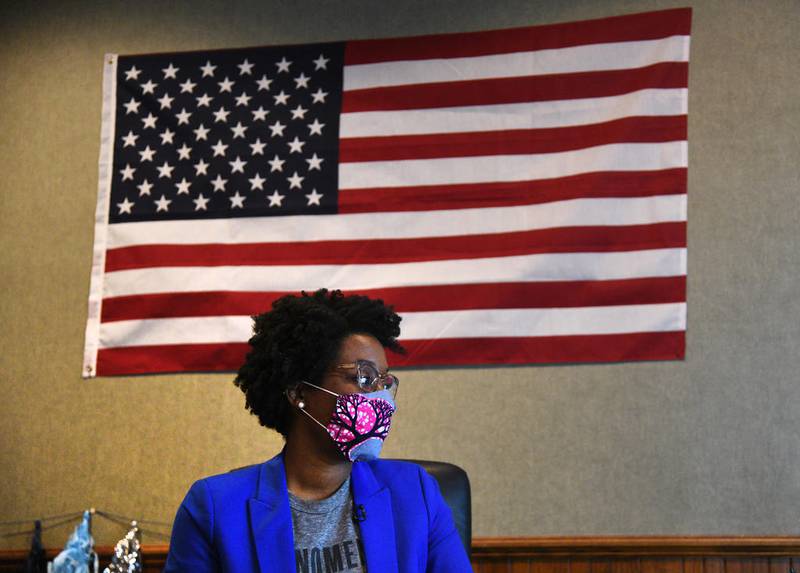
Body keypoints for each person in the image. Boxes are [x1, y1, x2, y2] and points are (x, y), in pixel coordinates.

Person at [164, 289, 472, 572]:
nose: (380, 398)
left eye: (384, 382)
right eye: (364, 378)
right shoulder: (214, 507)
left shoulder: (416, 492)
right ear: (300, 393)